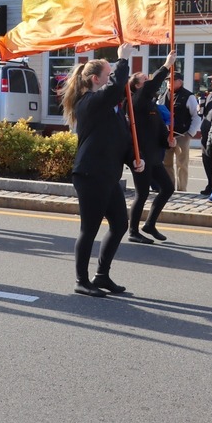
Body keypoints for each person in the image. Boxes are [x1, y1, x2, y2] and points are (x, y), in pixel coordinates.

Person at [60, 42, 143, 297]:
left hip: (108, 174)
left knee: (119, 224)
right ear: (96, 79)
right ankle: (81, 280)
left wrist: (135, 160)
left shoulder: (109, 108)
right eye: (108, 75)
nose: (113, 79)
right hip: (90, 174)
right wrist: (122, 59)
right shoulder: (89, 103)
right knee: (90, 228)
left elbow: (120, 140)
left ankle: (102, 275)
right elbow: (117, 88)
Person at [126, 51, 176, 244]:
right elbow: (153, 85)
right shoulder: (137, 100)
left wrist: (167, 142)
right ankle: (133, 231)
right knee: (143, 193)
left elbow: (158, 129)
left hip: (154, 155)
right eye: (145, 80)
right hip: (141, 156)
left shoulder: (151, 103)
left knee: (167, 188)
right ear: (138, 86)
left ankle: (150, 224)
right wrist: (166, 65)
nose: (149, 82)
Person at [160, 72, 200, 192]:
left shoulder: (188, 96)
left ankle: (182, 189)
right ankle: (169, 188)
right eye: (167, 80)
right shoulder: (162, 96)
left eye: (172, 80)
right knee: (166, 163)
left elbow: (196, 116)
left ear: (180, 82)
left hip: (182, 135)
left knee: (181, 164)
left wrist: (190, 134)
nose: (168, 83)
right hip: (166, 135)